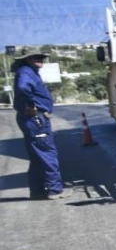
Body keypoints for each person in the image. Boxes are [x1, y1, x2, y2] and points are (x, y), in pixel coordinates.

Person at [11, 51, 63, 200]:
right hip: (36, 119)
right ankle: (55, 189)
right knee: (47, 153)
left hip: (32, 119)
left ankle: (37, 191)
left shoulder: (28, 72)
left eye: (41, 58)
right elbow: (23, 88)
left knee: (37, 157)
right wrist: (30, 104)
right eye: (36, 58)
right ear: (27, 59)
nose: (40, 60)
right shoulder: (26, 73)